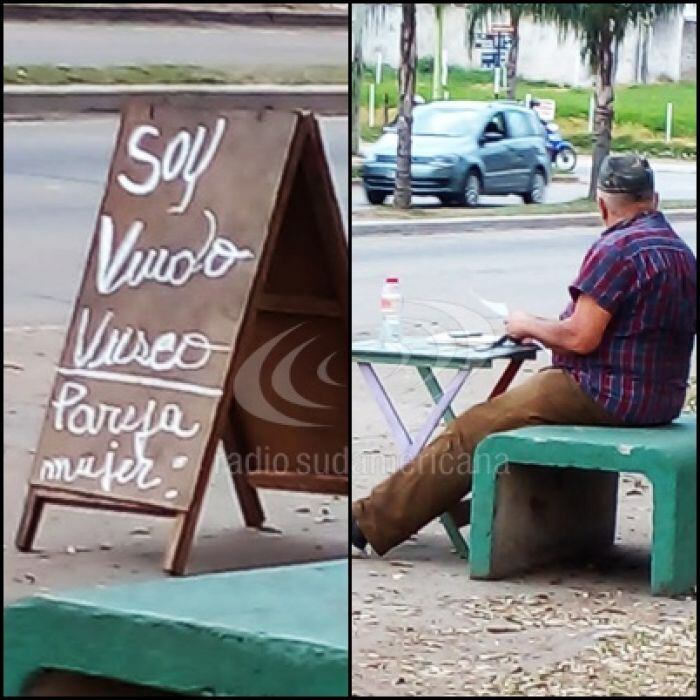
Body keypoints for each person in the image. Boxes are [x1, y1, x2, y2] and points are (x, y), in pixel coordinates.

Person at [352, 154, 697, 556]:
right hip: (661, 399)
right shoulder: (679, 252)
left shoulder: (618, 249)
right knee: (500, 422)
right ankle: (458, 509)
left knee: (473, 428)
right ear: (653, 198)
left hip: (603, 392)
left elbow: (581, 337)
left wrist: (527, 325)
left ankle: (369, 521)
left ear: (602, 205)